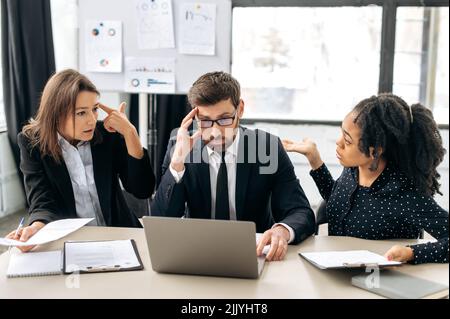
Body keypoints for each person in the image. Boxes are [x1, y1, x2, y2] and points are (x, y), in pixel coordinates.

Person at [151, 71, 315, 261]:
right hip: (197, 253)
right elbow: (160, 221)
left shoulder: (267, 147)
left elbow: (300, 211)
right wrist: (178, 162)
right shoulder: (180, 147)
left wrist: (282, 230)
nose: (216, 131)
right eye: (205, 121)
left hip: (255, 253)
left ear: (240, 109)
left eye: (224, 119)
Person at [282, 93, 448, 264]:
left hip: (376, 282)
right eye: (342, 134)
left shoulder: (405, 193)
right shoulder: (352, 170)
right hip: (336, 273)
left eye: (347, 141)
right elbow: (335, 200)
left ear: (375, 150)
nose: (338, 143)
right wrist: (314, 158)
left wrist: (410, 253)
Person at [6, 69, 155, 252]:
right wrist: (36, 228)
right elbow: (42, 199)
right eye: (81, 113)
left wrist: (130, 134)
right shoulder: (32, 143)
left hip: (119, 235)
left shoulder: (107, 136)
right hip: (70, 243)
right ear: (56, 113)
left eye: (94, 110)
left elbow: (143, 189)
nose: (92, 120)